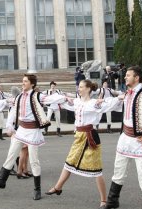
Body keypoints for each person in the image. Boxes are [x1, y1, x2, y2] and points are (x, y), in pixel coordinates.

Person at [103, 66, 142, 209]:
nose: (125, 77)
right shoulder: (127, 94)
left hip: (140, 142)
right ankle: (112, 201)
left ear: (136, 78)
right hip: (125, 139)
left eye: (128, 75)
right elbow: (121, 108)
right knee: (118, 171)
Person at [45, 80, 112, 209]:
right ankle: (58, 187)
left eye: (81, 87)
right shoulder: (76, 101)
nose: (79, 89)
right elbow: (57, 100)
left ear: (88, 89)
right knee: (69, 162)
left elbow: (110, 104)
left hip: (91, 136)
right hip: (79, 137)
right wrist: (64, 97)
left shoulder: (94, 103)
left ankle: (104, 200)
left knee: (96, 169)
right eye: (78, 87)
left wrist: (106, 101)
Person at [0, 73, 58, 201]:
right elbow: (13, 111)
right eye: (22, 81)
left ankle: (37, 190)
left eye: (25, 81)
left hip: (32, 131)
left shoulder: (37, 95)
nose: (23, 83)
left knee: (34, 160)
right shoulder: (19, 96)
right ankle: (1, 181)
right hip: (21, 130)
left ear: (32, 84)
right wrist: (9, 126)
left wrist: (67, 98)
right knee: (11, 155)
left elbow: (52, 99)